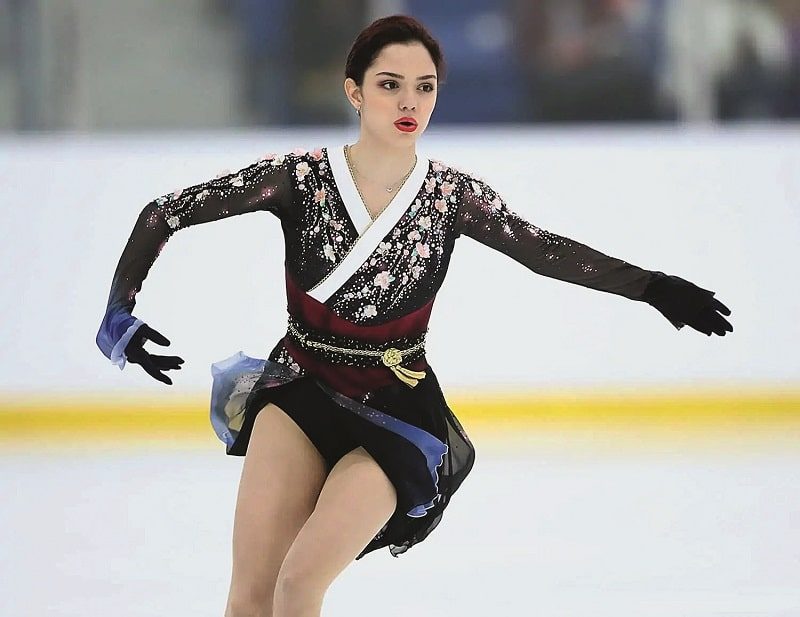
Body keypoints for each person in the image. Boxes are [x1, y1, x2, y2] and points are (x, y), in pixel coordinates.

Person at [95, 14, 733, 617]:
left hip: (395, 410)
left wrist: (652, 287)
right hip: (299, 390)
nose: (409, 102)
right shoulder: (299, 179)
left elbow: (542, 252)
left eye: (424, 87)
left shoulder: (452, 195)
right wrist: (120, 316)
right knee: (249, 600)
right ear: (354, 91)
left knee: (299, 583)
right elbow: (164, 213)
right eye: (390, 85)